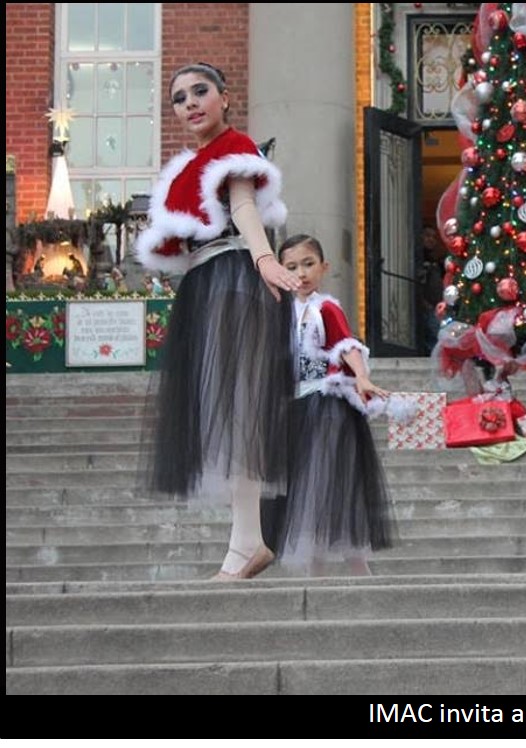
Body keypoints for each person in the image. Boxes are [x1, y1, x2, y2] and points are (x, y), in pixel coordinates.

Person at [134, 62, 301, 580]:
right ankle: (247, 540)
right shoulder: (191, 165)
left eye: (200, 91)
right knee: (229, 412)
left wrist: (264, 259)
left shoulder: (234, 147)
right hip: (209, 283)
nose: (190, 103)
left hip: (234, 277)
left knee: (241, 408)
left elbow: (245, 204)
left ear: (225, 97)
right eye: (179, 98)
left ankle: (245, 543)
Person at [270, 234, 395, 575]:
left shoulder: (326, 307)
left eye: (309, 264)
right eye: (292, 266)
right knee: (305, 487)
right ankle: (316, 571)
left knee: (329, 482)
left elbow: (346, 344)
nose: (302, 273)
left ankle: (358, 567)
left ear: (323, 268)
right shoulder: (281, 312)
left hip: (325, 407)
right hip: (294, 407)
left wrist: (362, 376)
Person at [416, 225, 445, 354]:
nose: (431, 239)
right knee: (433, 333)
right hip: (425, 305)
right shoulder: (417, 258)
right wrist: (422, 301)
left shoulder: (436, 261)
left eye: (434, 237)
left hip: (436, 306)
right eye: (427, 236)